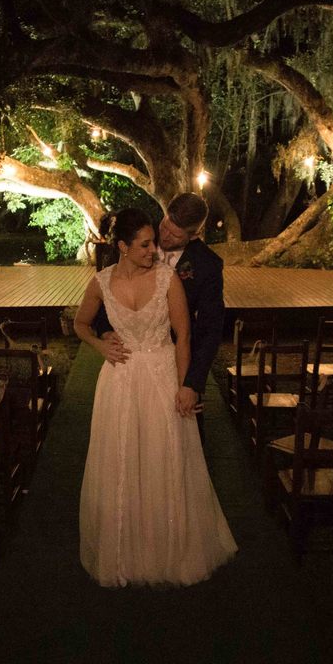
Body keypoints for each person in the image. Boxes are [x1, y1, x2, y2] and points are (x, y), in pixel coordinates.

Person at [73, 207, 237, 587]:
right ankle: (124, 550)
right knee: (122, 459)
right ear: (123, 247)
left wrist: (185, 385)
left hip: (162, 376)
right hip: (119, 381)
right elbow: (81, 323)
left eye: (154, 242)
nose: (153, 249)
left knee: (165, 457)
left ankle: (169, 549)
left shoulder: (168, 279)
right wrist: (100, 344)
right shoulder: (99, 282)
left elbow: (185, 336)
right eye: (145, 244)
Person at [94, 193, 226, 430]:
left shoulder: (208, 265)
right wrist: (104, 331)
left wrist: (191, 384)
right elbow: (108, 291)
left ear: (193, 234)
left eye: (175, 234)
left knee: (175, 438)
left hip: (175, 363)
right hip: (129, 362)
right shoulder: (136, 237)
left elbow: (210, 331)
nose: (164, 236)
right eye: (165, 226)